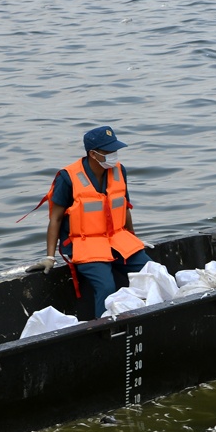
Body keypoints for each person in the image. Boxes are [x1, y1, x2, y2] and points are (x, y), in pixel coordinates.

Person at [44, 125, 152, 317]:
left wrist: (134, 239)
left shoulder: (119, 171)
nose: (114, 155)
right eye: (108, 151)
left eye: (115, 150)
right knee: (106, 286)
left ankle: (151, 315)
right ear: (93, 154)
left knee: (153, 271)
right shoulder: (67, 177)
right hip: (85, 245)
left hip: (117, 240)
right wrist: (50, 257)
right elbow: (56, 218)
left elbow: (124, 207)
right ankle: (104, 330)